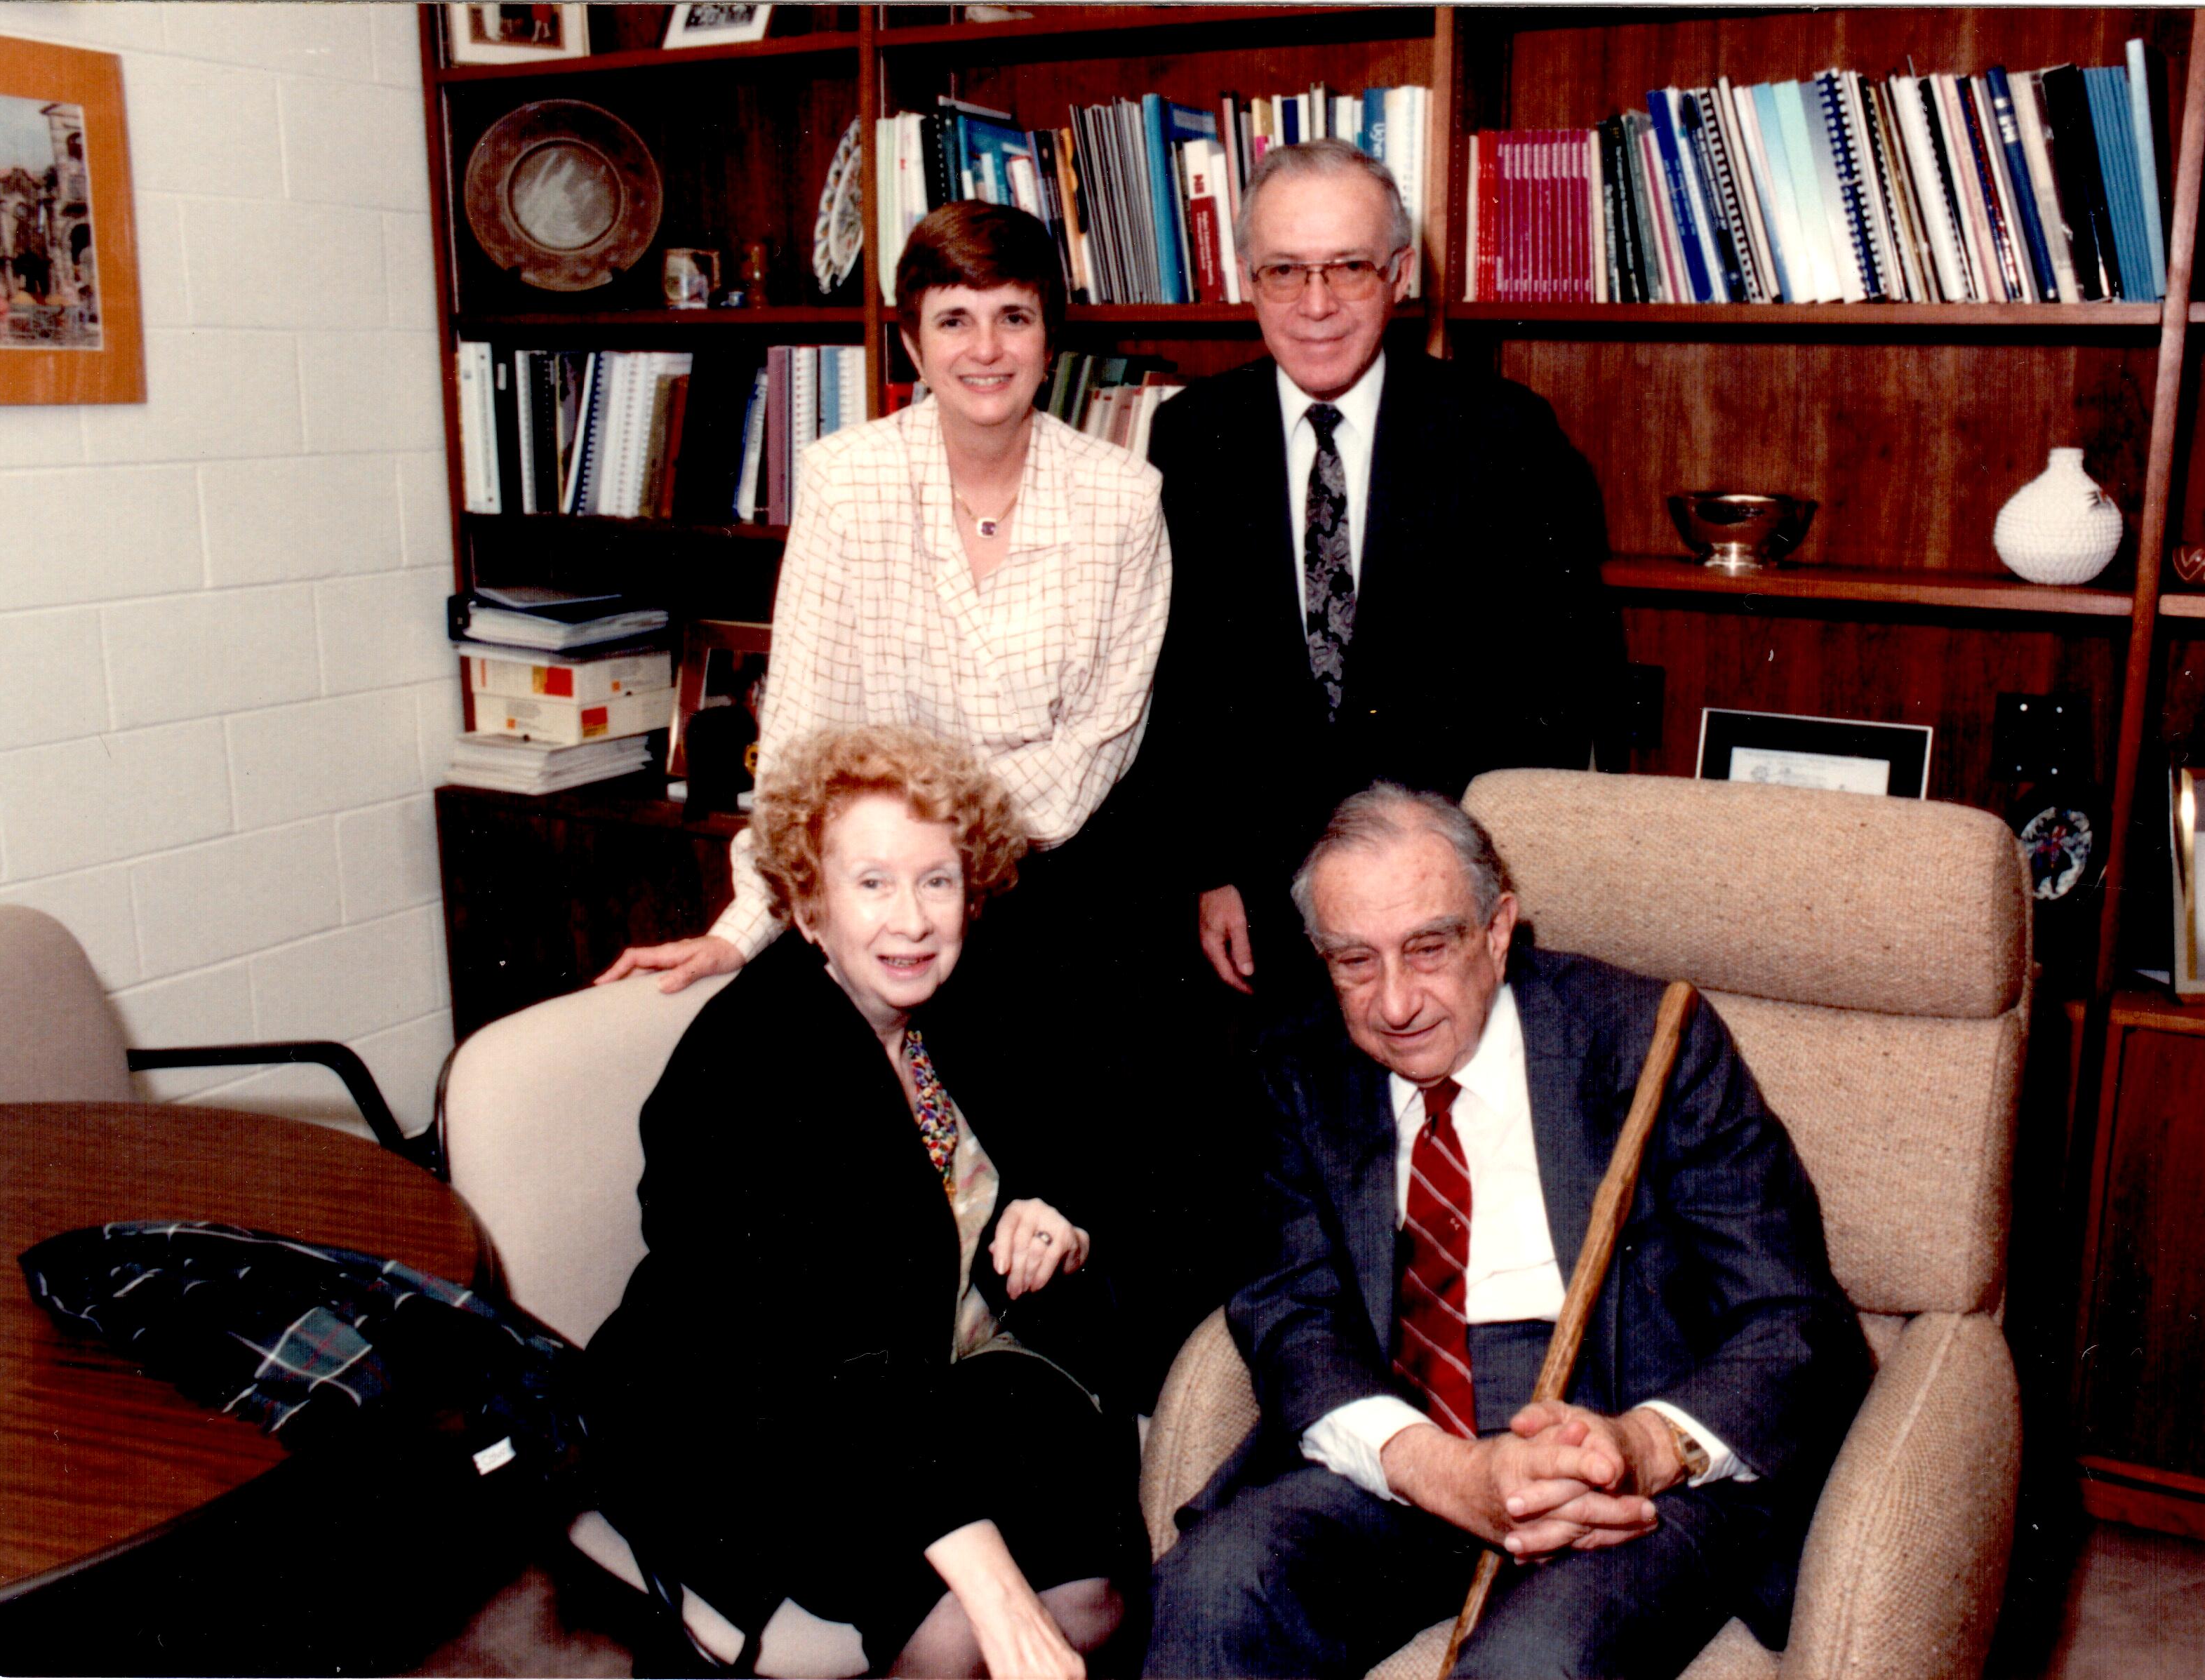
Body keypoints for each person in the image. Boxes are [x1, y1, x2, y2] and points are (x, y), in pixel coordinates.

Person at [1146, 785, 1868, 1679]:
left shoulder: (1648, 1039)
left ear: (1496, 931)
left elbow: (1798, 1323)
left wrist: (1639, 1447)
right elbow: (1289, 1313)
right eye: (1354, 964)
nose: (1396, 1003)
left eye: (1428, 947)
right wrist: (1442, 1472)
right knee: (1211, 1591)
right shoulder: (1300, 1068)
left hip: (1613, 1465)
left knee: (1530, 1667)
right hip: (1412, 1450)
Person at [582, 724, 1141, 1680]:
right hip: (752, 1419)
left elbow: (1072, 1145)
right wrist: (992, 1585)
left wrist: (1054, 1213)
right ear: (807, 905)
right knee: (973, 1626)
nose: (912, 920)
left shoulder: (948, 1011)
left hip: (921, 1387)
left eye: (937, 880)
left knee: (1093, 1591)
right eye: (872, 882)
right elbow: (807, 1351)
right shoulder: (749, 1065)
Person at [599, 199, 1171, 997]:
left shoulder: (1124, 498)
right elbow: (802, 736)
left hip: (1059, 904)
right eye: (953, 321)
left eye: (1014, 316)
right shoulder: (847, 481)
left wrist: (919, 846)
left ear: (1049, 341)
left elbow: (1096, 748)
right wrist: (743, 930)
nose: (986, 349)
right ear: (912, 342)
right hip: (877, 910)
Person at [1142, 140, 1619, 1014]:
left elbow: (1561, 685)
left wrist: (1461, 884)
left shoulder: (1503, 436)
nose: (1315, 305)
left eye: (1348, 269)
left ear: (1400, 275)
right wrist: (1208, 869)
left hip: (1441, 905)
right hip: (1257, 908)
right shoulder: (1191, 437)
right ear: (1246, 279)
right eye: (1284, 271)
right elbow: (1178, 685)